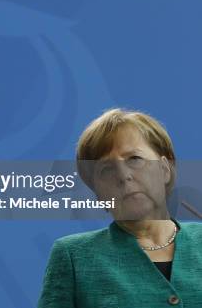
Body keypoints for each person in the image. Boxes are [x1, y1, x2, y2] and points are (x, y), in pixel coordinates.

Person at [38, 108, 202, 307]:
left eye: (134, 159)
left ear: (165, 169)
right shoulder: (72, 256)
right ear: (98, 194)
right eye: (106, 169)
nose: (123, 175)